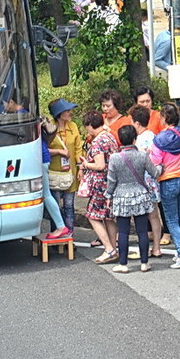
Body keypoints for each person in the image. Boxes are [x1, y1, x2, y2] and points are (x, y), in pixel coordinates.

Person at [104, 124, 163, 273]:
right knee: (142, 231)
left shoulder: (114, 158)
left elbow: (111, 180)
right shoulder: (142, 155)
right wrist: (162, 166)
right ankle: (144, 263)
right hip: (140, 195)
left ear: (120, 140)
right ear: (135, 139)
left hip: (121, 196)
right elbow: (155, 173)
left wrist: (108, 196)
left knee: (123, 232)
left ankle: (123, 264)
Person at [151, 102, 180, 270]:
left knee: (171, 220)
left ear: (164, 118)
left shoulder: (159, 139)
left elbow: (156, 162)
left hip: (168, 180)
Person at [79, 110, 120, 263]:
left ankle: (108, 249)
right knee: (109, 217)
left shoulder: (97, 142)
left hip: (100, 184)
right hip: (111, 182)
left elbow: (100, 165)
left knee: (93, 215)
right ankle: (113, 248)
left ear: (90, 125)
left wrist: (85, 164)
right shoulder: (110, 137)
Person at [130, 105, 165, 258]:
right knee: (154, 215)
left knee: (141, 217)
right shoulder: (153, 136)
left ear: (137, 123)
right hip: (154, 181)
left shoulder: (138, 141)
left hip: (141, 182)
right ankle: (156, 247)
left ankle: (143, 248)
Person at [46, 97, 83, 234]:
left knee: (69, 206)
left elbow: (78, 148)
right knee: (55, 207)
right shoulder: (49, 128)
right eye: (66, 110)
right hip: (55, 174)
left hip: (71, 173)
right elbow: (42, 150)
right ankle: (56, 234)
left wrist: (80, 167)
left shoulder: (73, 126)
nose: (70, 112)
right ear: (59, 113)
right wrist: (58, 152)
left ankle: (69, 237)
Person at [37, 116, 72, 242]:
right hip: (44, 159)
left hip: (40, 159)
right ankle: (60, 226)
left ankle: (60, 226)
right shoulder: (37, 121)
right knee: (46, 194)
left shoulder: (25, 118)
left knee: (46, 195)